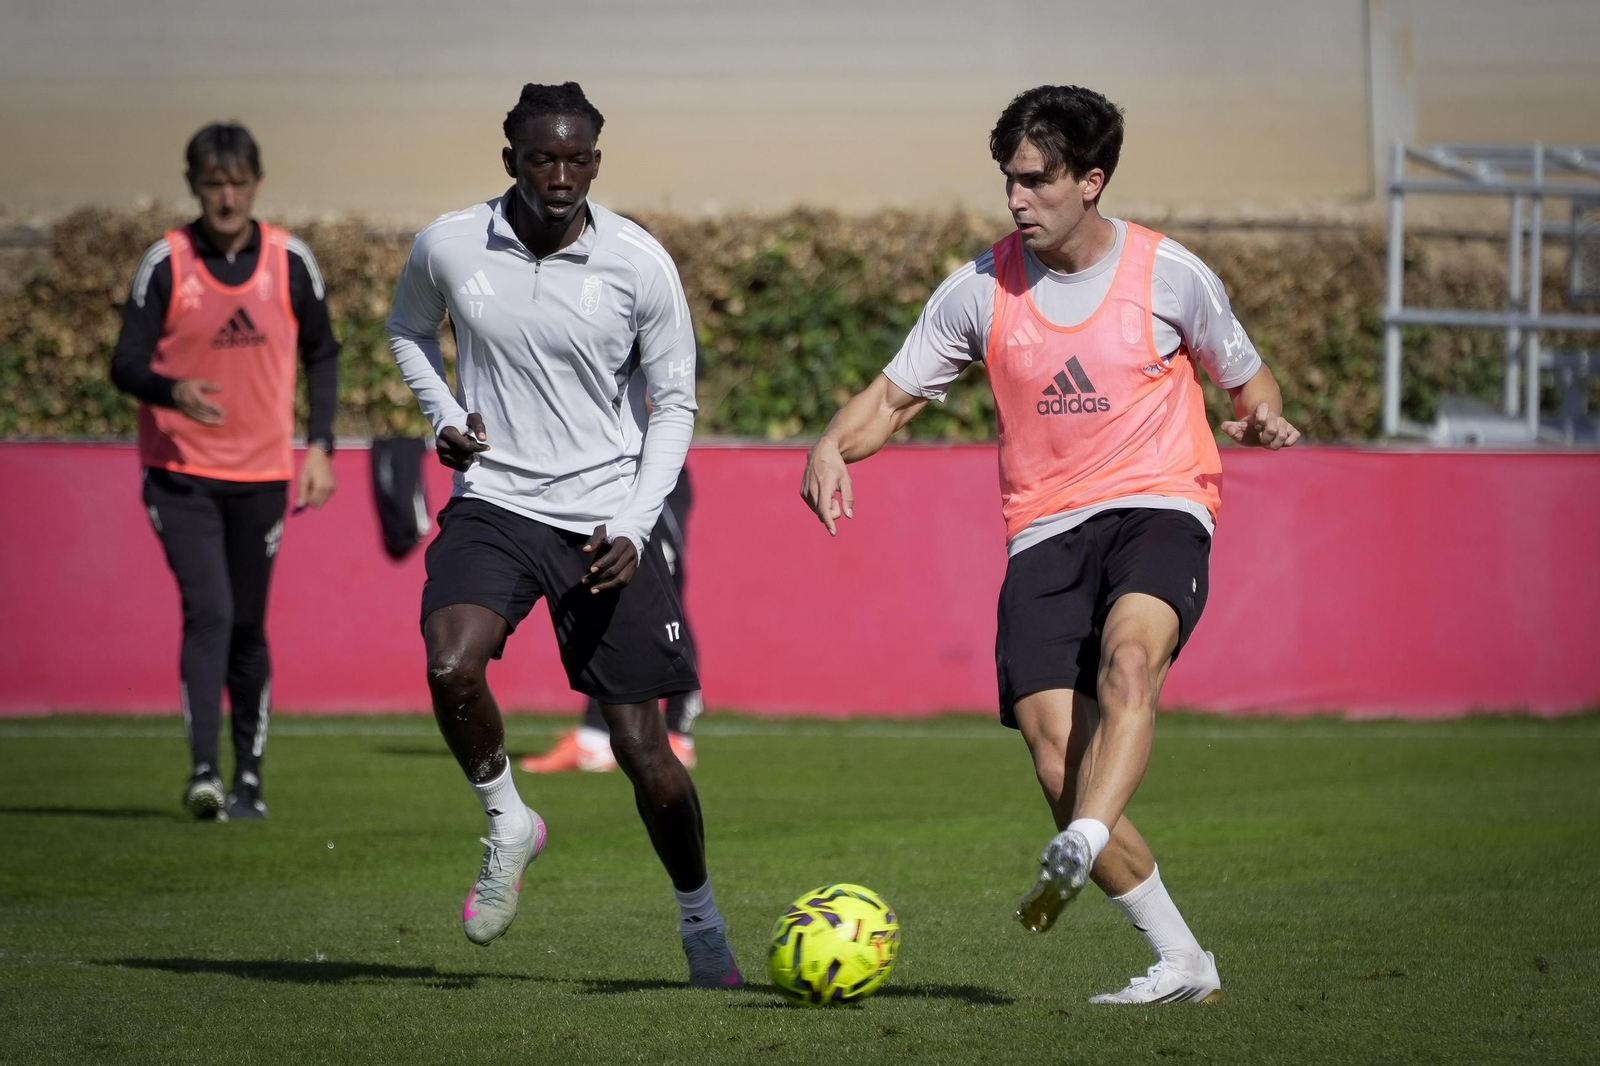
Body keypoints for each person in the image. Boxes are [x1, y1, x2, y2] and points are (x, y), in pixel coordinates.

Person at [800, 85, 1300, 1005]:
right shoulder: (980, 288)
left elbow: (1248, 377)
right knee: (1056, 758)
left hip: (1160, 504)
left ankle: (1082, 841)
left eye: (1037, 180)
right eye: (1010, 180)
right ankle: (1183, 960)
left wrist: (1262, 416)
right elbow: (892, 400)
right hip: (1044, 529)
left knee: (1129, 663)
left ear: (1091, 180)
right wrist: (832, 445)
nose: (1017, 198)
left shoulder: (1168, 273)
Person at [386, 81, 740, 987]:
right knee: (449, 664)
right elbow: (408, 330)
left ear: (595, 161)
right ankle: (510, 821)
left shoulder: (638, 261)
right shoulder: (450, 242)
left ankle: (700, 920)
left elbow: (676, 407)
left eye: (577, 159)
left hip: (602, 521)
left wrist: (636, 524)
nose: (560, 176)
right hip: (495, 502)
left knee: (643, 752)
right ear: (511, 159)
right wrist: (443, 415)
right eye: (542, 158)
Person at [111, 121, 339, 822]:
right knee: (209, 611)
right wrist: (170, 390)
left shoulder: (289, 261)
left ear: (256, 184)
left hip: (263, 477)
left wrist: (320, 447)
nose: (228, 198)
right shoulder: (167, 263)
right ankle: (205, 772)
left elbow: (323, 354)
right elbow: (125, 363)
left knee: (247, 624)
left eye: (239, 183)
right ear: (194, 186)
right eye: (214, 185)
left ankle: (251, 781)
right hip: (180, 475)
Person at [520, 467, 702, 773]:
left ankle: (677, 732)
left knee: (664, 600)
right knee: (599, 594)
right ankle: (596, 733)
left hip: (649, 477)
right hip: (601, 475)